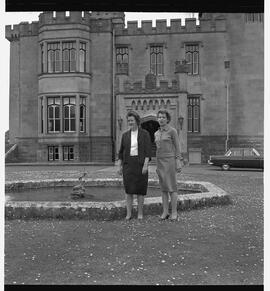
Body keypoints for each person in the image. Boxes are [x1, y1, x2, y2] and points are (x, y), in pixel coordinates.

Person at [118, 111, 152, 220]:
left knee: (140, 190)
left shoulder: (145, 134)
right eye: (128, 120)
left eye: (132, 120)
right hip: (128, 165)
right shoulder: (125, 135)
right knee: (129, 191)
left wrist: (146, 165)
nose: (130, 122)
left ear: (137, 121)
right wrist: (119, 166)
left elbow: (148, 151)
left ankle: (140, 214)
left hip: (141, 164)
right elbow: (121, 152)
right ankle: (129, 214)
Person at [154, 109, 183, 221]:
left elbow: (177, 147)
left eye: (163, 117)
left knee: (172, 188)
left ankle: (174, 212)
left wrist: (178, 160)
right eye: (159, 117)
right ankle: (165, 212)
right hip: (160, 162)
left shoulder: (172, 131)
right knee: (163, 188)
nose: (161, 119)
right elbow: (157, 149)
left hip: (170, 161)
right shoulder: (156, 133)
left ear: (167, 119)